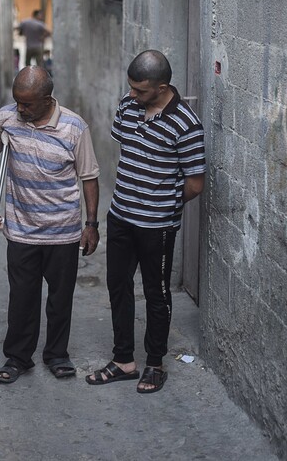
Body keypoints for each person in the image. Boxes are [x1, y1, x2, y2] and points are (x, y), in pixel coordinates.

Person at [86, 50, 206, 394]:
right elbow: (123, 139)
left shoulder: (186, 124)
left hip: (157, 226)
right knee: (118, 287)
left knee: (157, 292)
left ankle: (155, 363)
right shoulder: (129, 104)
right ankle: (123, 360)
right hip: (121, 215)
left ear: (162, 87)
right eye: (131, 89)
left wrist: (160, 199)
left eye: (140, 91)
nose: (132, 96)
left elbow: (195, 184)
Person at [0, 66, 100, 383]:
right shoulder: (5, 119)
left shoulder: (74, 127)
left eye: (27, 104)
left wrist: (91, 223)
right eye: (17, 102)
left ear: (47, 99)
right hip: (21, 227)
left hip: (63, 228)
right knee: (22, 296)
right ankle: (18, 357)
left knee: (60, 298)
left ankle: (57, 355)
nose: (20, 109)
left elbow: (89, 177)